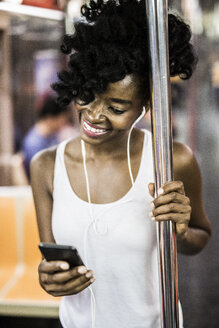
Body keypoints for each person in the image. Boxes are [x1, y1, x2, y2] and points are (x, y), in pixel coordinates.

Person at [30, 0, 211, 327]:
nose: (95, 115)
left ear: (145, 104)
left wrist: (181, 232)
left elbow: (199, 237)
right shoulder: (45, 166)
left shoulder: (172, 161)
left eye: (116, 107)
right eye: (87, 94)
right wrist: (50, 280)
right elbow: (52, 261)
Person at [22, 95, 69, 179]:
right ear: (50, 118)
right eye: (62, 119)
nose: (64, 123)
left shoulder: (53, 135)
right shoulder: (34, 143)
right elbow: (40, 173)